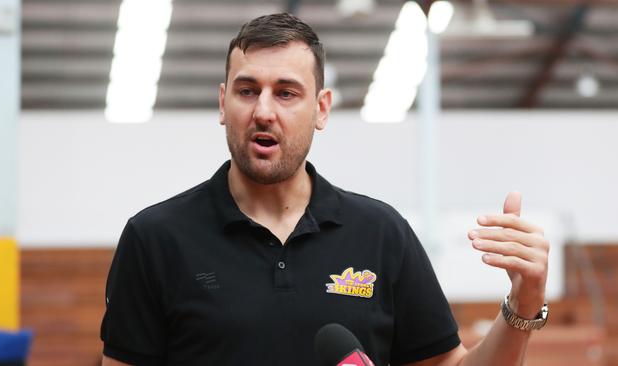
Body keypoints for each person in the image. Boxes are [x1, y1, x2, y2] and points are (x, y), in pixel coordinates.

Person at [100, 13, 549, 366]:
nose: (263, 111)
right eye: (247, 90)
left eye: (286, 93)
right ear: (223, 103)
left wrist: (523, 302)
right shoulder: (155, 238)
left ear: (321, 108)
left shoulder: (380, 233)